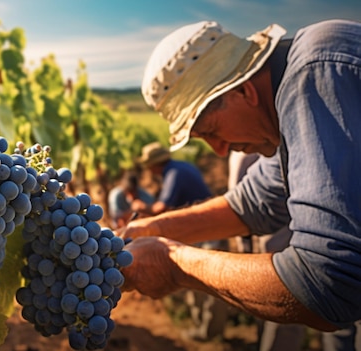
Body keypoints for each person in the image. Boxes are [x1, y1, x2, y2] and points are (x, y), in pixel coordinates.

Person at [120, 18, 361, 341]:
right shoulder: (288, 105)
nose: (219, 151)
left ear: (244, 90)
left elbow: (328, 282)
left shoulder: (315, 75)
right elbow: (253, 203)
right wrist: (156, 229)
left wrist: (173, 264)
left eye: (211, 132)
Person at [134, 141, 230, 341]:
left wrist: (142, 207)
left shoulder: (173, 174)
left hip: (206, 229)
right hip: (210, 225)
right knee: (208, 279)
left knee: (207, 280)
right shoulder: (182, 167)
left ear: (153, 165)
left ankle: (208, 333)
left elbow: (161, 208)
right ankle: (208, 328)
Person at [228, 151, 306, 351]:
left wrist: (244, 249)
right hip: (282, 245)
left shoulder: (242, 153)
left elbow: (241, 208)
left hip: (277, 247)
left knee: (278, 307)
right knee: (281, 310)